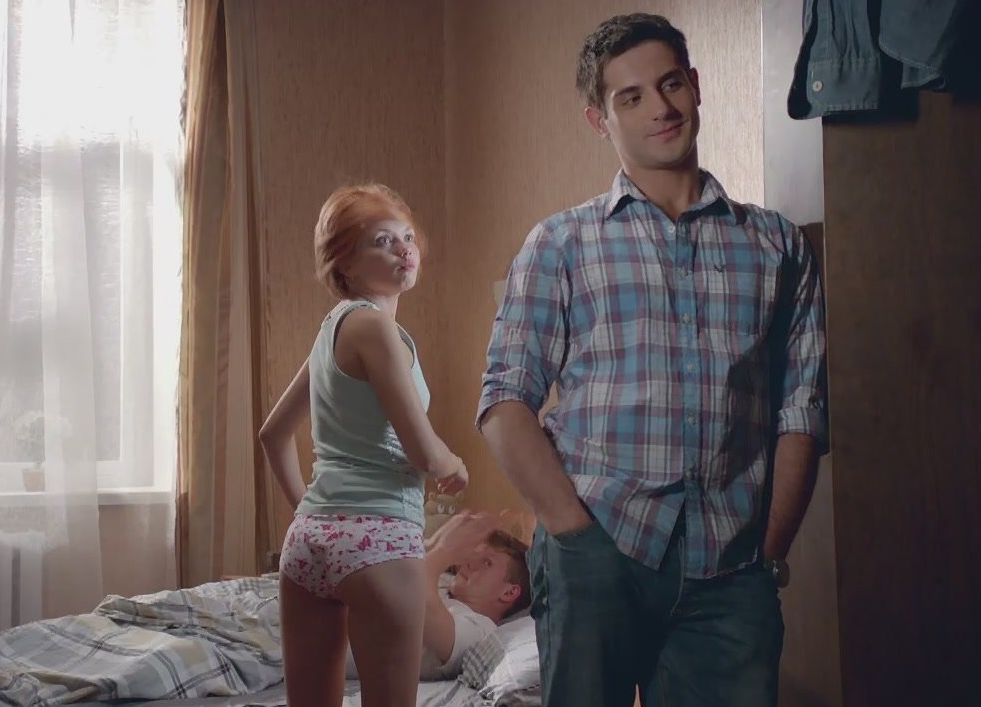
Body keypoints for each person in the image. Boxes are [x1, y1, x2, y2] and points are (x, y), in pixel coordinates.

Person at [476, 13, 828, 707]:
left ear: (695, 86)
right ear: (598, 119)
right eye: (630, 97)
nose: (660, 109)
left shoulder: (777, 246)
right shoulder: (561, 244)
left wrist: (769, 553)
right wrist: (573, 536)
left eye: (670, 85)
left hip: (732, 572)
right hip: (597, 551)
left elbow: (802, 411)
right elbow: (504, 401)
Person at [259, 183, 468, 707]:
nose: (403, 250)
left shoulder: (331, 331)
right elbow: (425, 454)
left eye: (407, 237)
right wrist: (456, 464)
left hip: (308, 540)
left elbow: (272, 435)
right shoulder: (376, 328)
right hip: (380, 537)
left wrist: (311, 513)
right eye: (382, 241)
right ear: (345, 264)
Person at [344, 510, 532, 681]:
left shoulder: (480, 630)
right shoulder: (443, 581)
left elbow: (415, 602)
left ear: (508, 592)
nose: (470, 563)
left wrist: (444, 551)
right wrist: (432, 543)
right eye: (475, 555)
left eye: (487, 562)